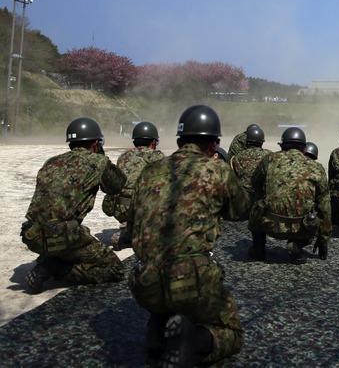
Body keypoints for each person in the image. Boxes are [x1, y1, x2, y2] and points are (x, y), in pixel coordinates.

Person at [128, 105, 248, 366]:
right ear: (214, 144)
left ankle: (157, 328)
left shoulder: (149, 171)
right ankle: (191, 341)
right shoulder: (217, 170)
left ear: (179, 140)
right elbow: (240, 210)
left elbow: (132, 225)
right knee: (232, 332)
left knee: (164, 285)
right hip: (192, 281)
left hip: (144, 281)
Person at [21, 117, 127, 294]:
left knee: (64, 234)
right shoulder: (97, 162)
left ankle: (52, 259)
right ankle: (54, 268)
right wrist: (102, 158)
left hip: (31, 235)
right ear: (95, 143)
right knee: (114, 269)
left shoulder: (52, 161)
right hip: (63, 236)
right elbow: (117, 186)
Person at [247, 127, 330, 264]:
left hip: (271, 225)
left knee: (257, 198)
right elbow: (325, 207)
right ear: (304, 149)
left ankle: (258, 247)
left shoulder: (269, 160)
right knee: (317, 206)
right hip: (303, 227)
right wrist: (323, 241)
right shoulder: (316, 167)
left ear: (282, 146)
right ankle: (297, 245)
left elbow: (255, 183)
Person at [103, 121, 165, 250]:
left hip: (120, 208)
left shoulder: (123, 156)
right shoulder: (156, 156)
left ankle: (128, 230)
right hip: (140, 209)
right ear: (153, 142)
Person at [229, 124, 271, 215]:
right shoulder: (270, 155)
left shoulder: (236, 157)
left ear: (247, 141)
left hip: (242, 200)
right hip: (261, 200)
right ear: (262, 142)